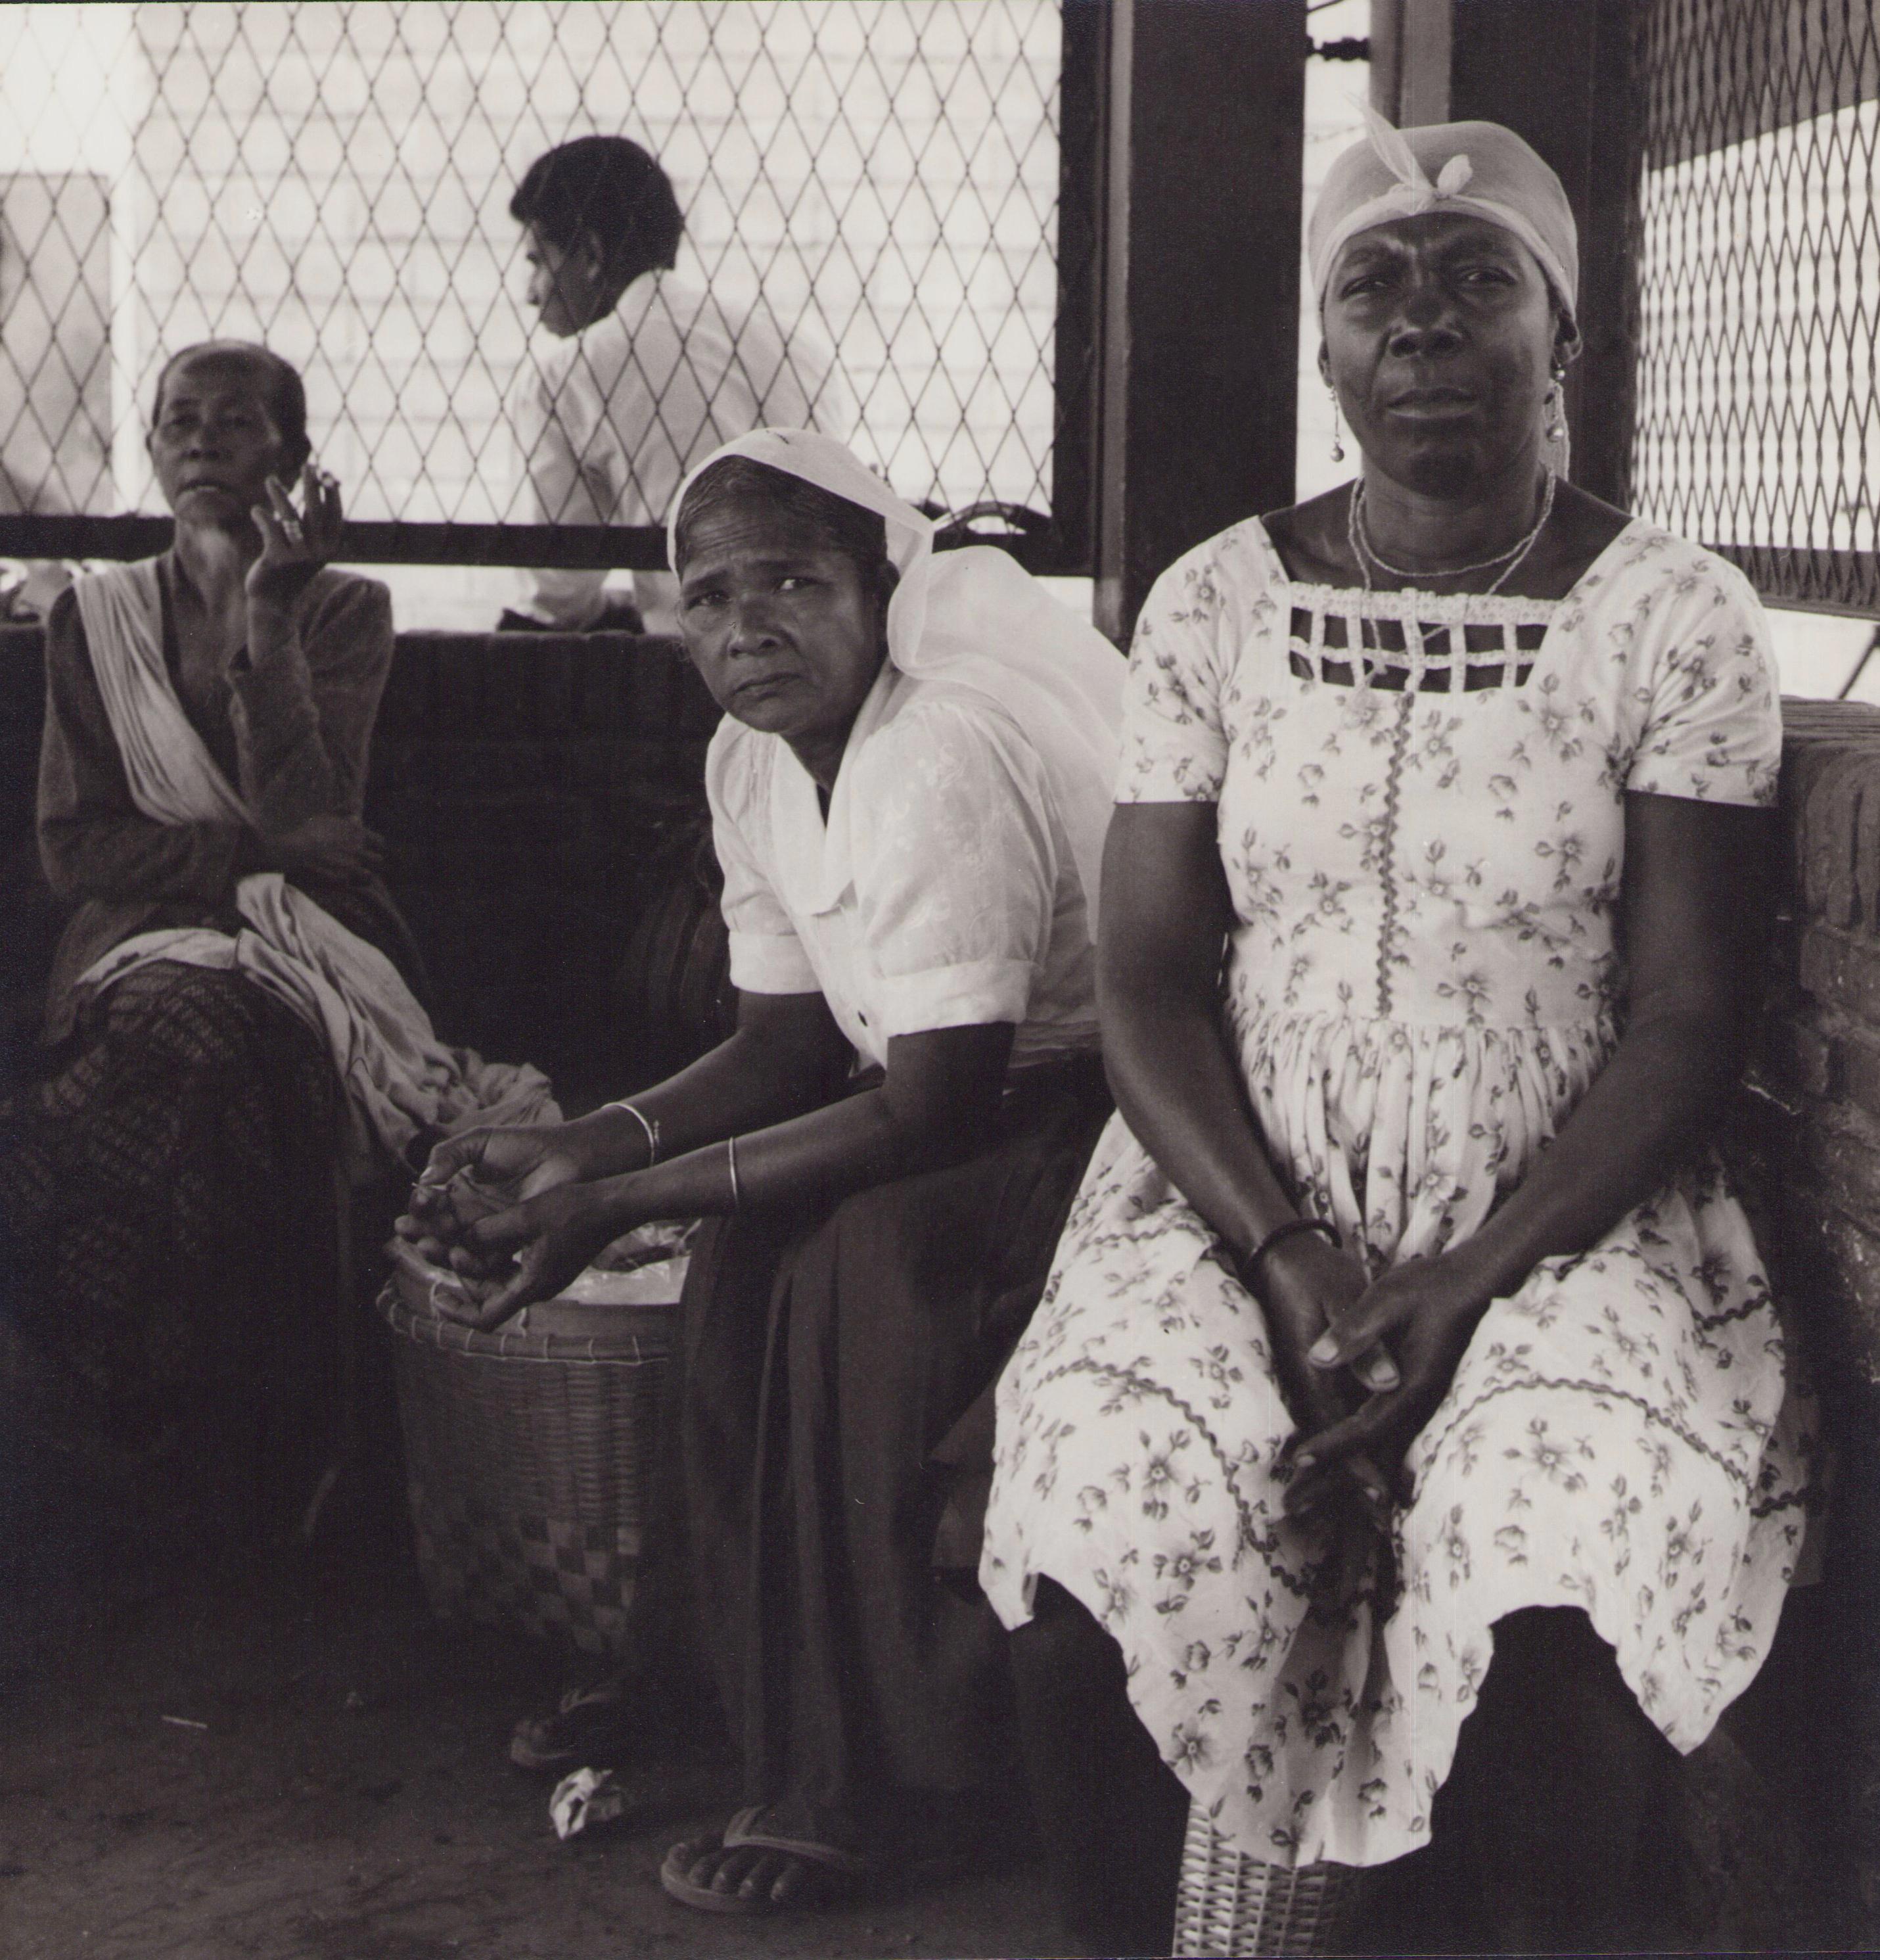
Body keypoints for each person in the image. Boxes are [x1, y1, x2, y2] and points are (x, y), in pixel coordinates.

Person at [979, 114, 1821, 1955]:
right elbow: (1143, 977)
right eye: (1374, 285)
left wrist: (1464, 1281)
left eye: (1475, 279)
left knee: (1557, 1534)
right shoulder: (1212, 600)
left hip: (1569, 1200)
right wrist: (1283, 1258)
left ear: (1563, 340)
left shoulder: (1670, 614)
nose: (1421, 321)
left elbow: (1683, 1015)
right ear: (1325, 348)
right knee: (1094, 1508)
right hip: (1230, 1186)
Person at [401, 427, 1123, 1915]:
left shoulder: (937, 748)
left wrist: (615, 1204)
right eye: (710, 595)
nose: (748, 625)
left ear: (881, 592)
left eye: (792, 581)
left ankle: (909, 1785)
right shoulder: (752, 763)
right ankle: (765, 1712)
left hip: (1094, 1128)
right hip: (944, 1106)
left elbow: (930, 1111)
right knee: (741, 1270)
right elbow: (783, 1042)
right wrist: (589, 1143)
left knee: (868, 1269)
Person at [0, 340, 552, 1585]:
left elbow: (316, 817)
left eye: (237, 423)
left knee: (238, 1051)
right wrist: (252, 853)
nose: (202, 441)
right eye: (179, 421)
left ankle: (211, 1463)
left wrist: (266, 612)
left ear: (290, 459)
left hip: (320, 949)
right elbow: (74, 850)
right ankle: (134, 1435)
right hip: (133, 946)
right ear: (148, 450)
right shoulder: (90, 619)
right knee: (188, 1029)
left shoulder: (343, 610)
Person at [505, 135, 852, 638]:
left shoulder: (569, 374)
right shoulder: (794, 345)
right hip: (831, 644)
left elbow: (556, 595)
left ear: (591, 255)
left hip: (698, 663)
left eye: (539, 261)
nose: (530, 294)